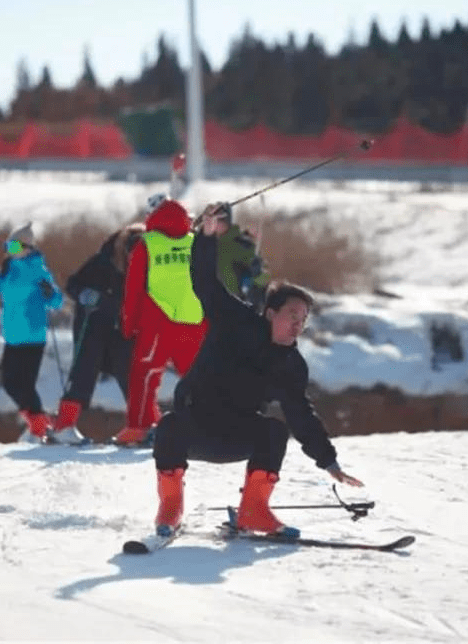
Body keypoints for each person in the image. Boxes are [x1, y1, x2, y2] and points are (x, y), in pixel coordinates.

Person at [151, 203, 363, 538]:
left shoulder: (290, 364)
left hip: (237, 434)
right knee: (167, 426)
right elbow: (205, 282)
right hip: (196, 426)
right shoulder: (235, 319)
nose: (298, 323)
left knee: (275, 431)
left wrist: (329, 461)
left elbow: (301, 416)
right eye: (292, 314)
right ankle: (170, 504)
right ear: (270, 313)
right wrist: (205, 238)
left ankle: (254, 511)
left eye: (304, 319)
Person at [115, 194, 208, 446]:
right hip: (195, 322)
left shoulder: (147, 244)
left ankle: (138, 428)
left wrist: (129, 324)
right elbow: (211, 283)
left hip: (158, 321)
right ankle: (205, 427)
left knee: (144, 374)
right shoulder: (196, 243)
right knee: (197, 378)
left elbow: (133, 288)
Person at [0, 223, 64, 443]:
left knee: (25, 386)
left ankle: (40, 428)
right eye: (8, 245)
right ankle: (40, 424)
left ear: (28, 248)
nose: (9, 250)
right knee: (10, 384)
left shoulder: (37, 269)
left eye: (14, 246)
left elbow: (56, 301)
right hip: (13, 336)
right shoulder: (9, 269)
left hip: (33, 337)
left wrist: (49, 292)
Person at [54, 223, 145, 443]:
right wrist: (86, 295)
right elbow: (73, 284)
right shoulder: (102, 261)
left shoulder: (146, 267)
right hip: (93, 324)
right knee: (83, 373)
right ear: (124, 249)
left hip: (122, 328)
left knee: (132, 375)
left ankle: (142, 427)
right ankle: (64, 427)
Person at [214, 202, 271, 311]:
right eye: (214, 220)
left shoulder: (241, 245)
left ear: (228, 222)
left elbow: (262, 276)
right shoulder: (205, 243)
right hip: (210, 304)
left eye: (221, 220)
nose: (217, 224)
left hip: (235, 304)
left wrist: (256, 273)